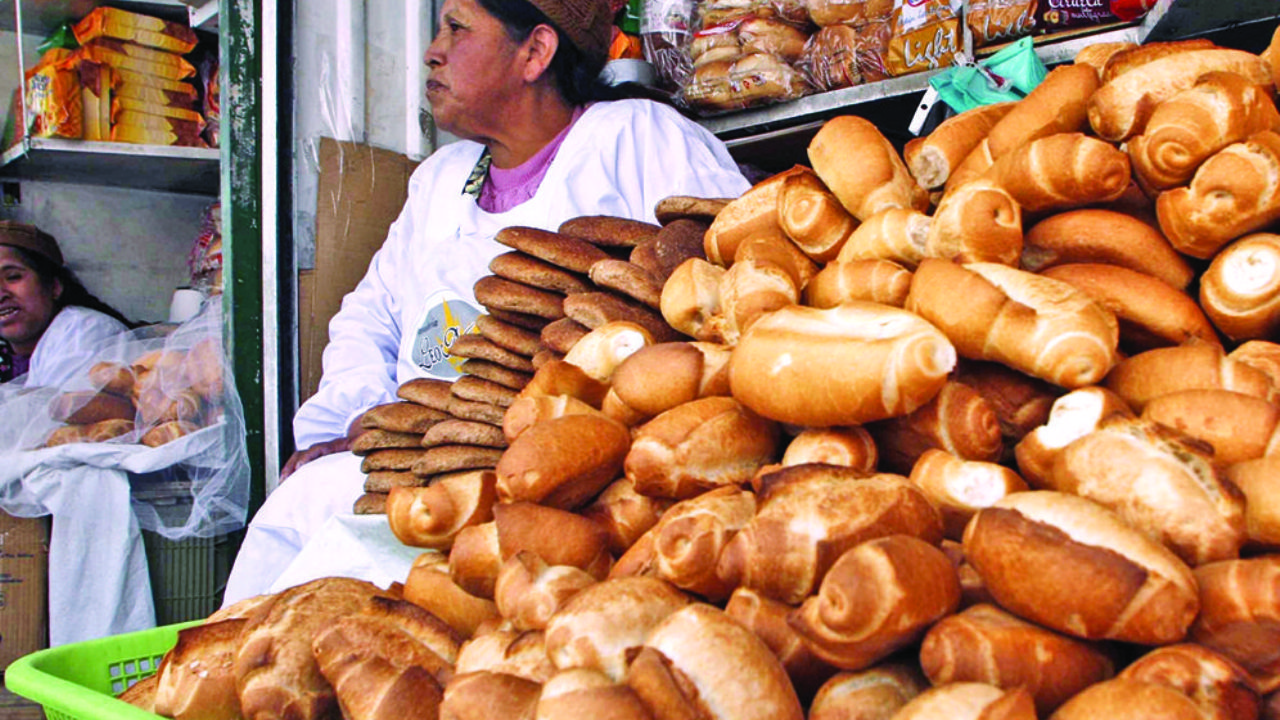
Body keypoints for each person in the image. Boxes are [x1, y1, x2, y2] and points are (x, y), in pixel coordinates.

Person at [221, 0, 752, 604]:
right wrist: (355, 421)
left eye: (458, 27)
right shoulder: (441, 179)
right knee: (306, 506)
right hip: (417, 467)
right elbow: (370, 318)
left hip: (566, 482)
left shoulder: (635, 137)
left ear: (535, 52)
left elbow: (728, 285)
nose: (432, 50)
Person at [0, 221, 131, 386]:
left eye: (13, 277)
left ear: (54, 286)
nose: (1, 294)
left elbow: (55, 409)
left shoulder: (84, 331)